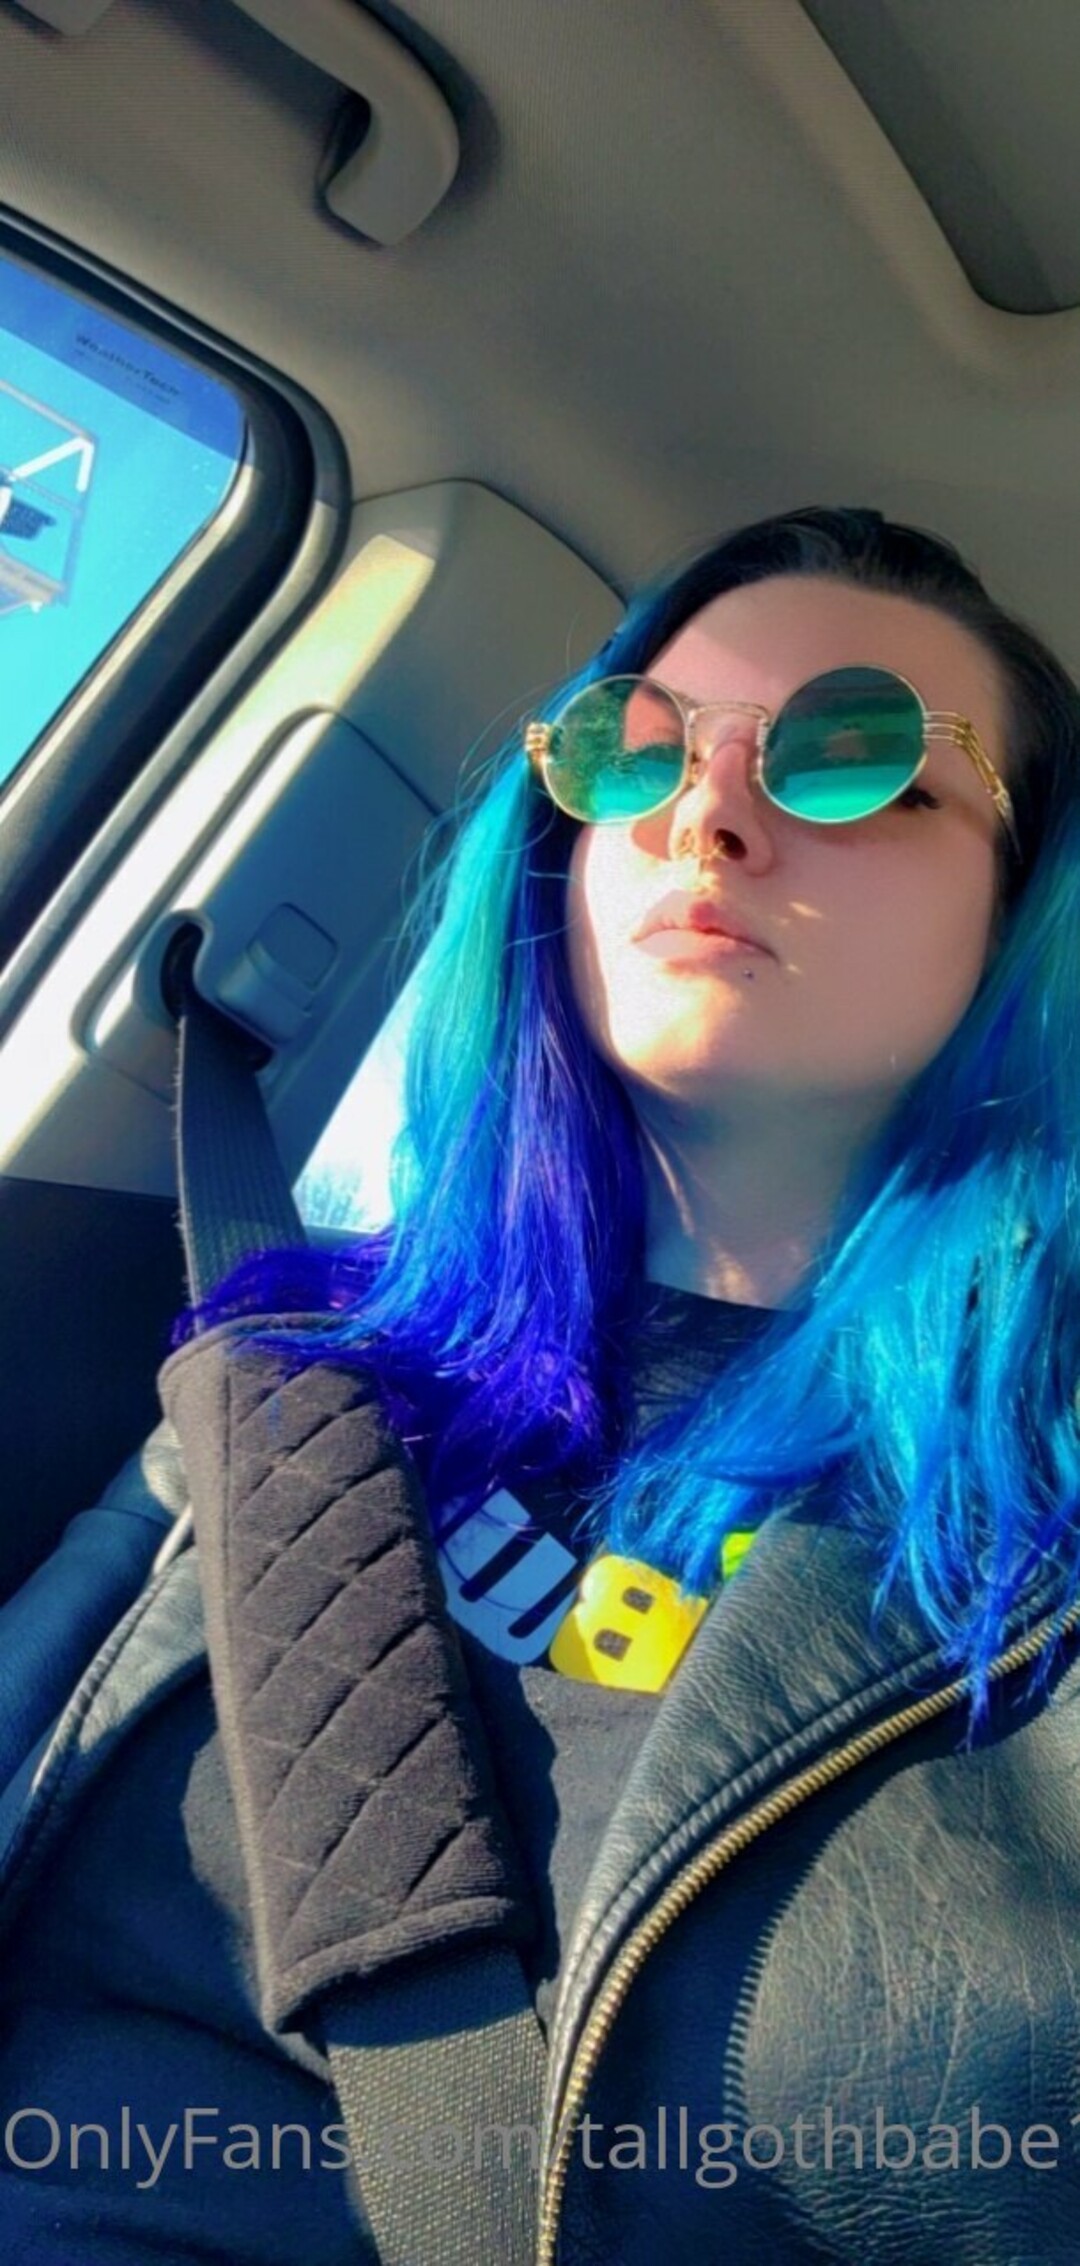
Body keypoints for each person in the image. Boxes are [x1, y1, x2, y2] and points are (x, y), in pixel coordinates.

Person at [1, 502, 1079, 2265]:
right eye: (635, 747)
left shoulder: (1044, 1553)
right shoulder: (287, 1366)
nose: (704, 814)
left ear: (1028, 909)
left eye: (855, 754)